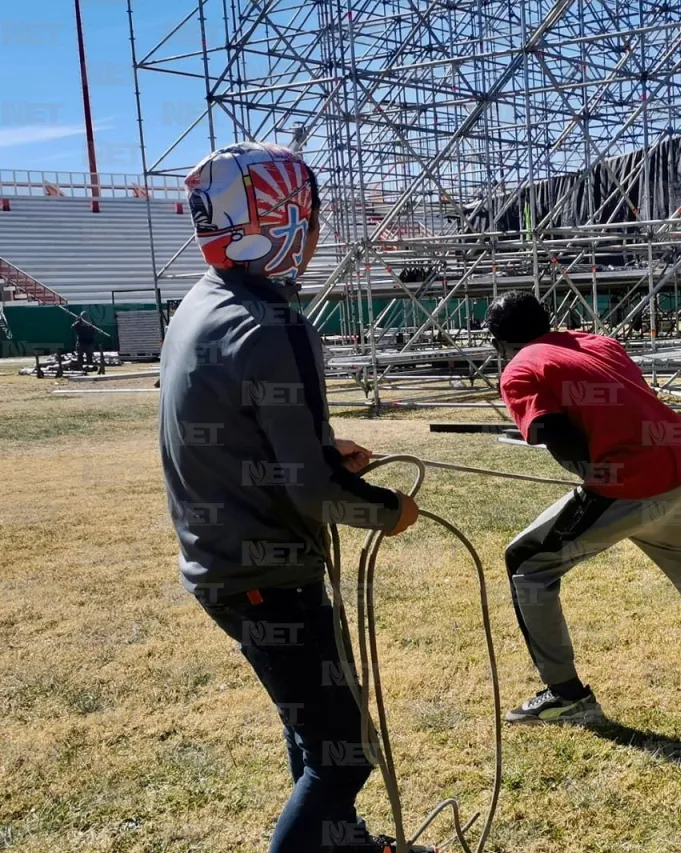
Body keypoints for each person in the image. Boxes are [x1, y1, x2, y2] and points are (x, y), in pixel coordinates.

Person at [159, 142, 423, 853]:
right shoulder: (274, 322)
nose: (315, 236)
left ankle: (345, 848)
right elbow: (313, 491)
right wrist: (386, 509)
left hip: (227, 564)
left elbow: (243, 431)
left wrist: (317, 449)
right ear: (279, 222)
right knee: (345, 752)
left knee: (314, 732)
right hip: (264, 573)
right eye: (309, 217)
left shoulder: (200, 303)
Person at [489, 291, 681, 725]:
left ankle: (565, 694)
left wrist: (594, 475)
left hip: (632, 479)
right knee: (675, 551)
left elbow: (551, 431)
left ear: (498, 340)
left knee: (526, 563)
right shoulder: (596, 341)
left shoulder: (519, 369)